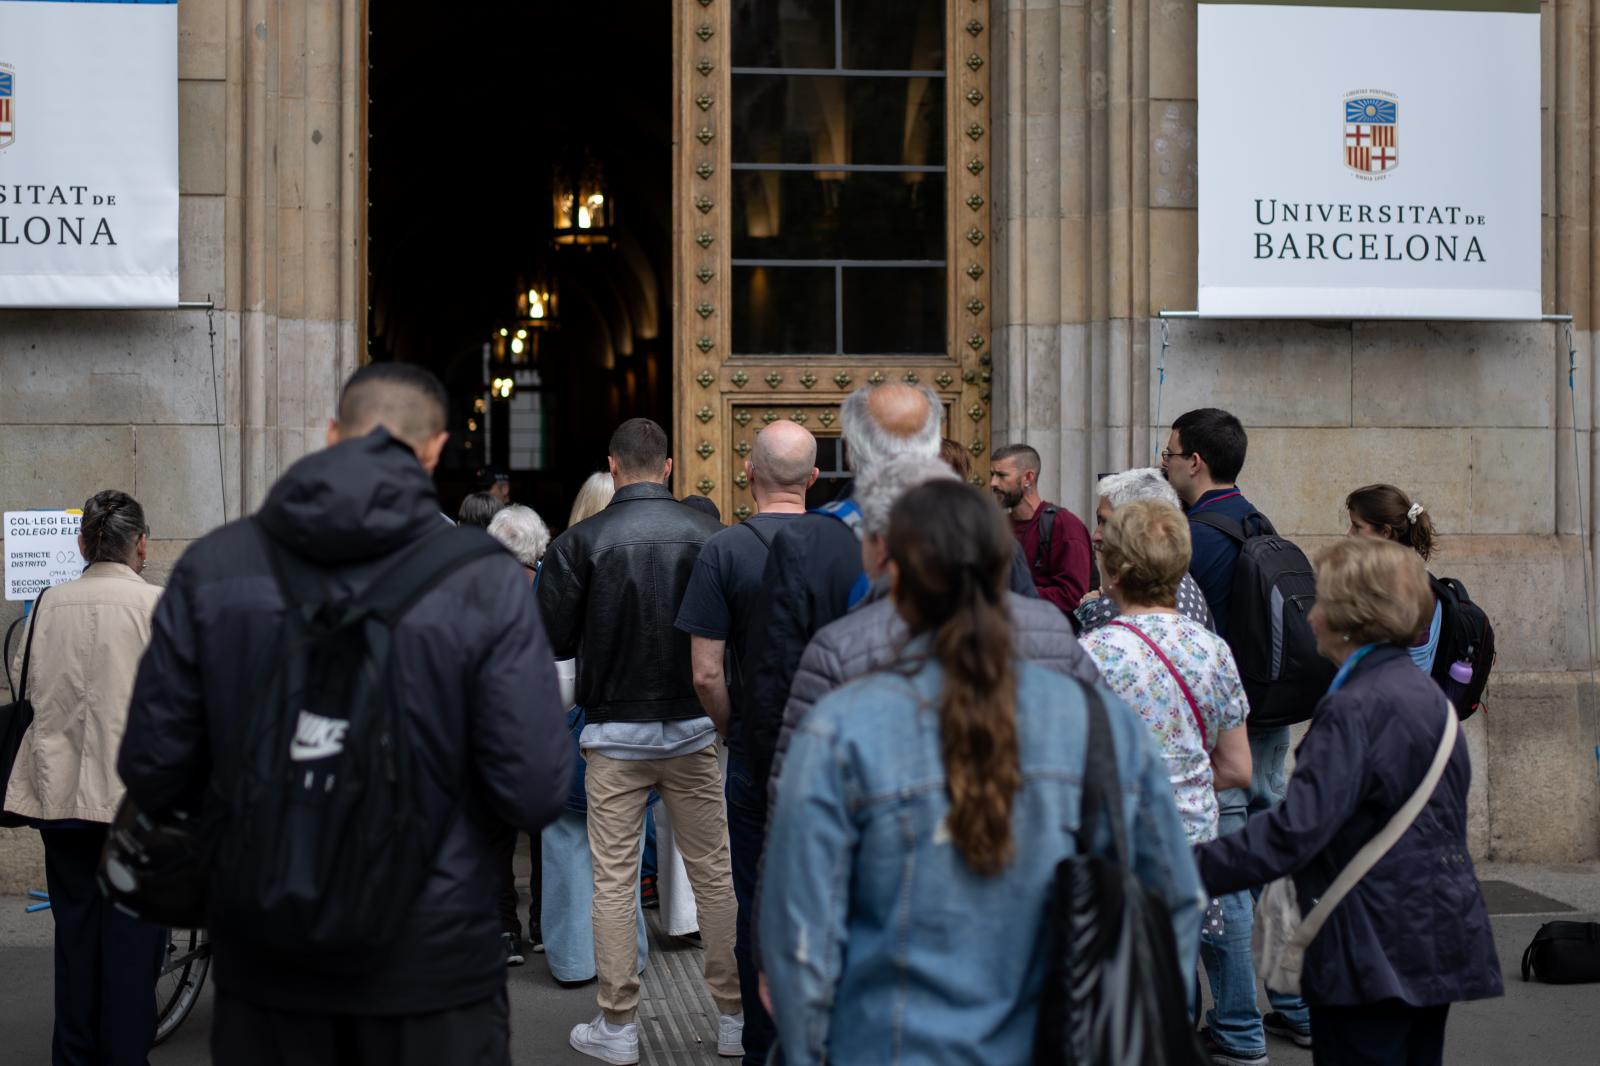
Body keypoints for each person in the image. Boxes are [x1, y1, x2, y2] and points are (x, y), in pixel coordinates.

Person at [118, 363, 571, 1066]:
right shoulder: (483, 578)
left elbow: (152, 767)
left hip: (267, 956)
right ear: (435, 449)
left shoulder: (214, 566)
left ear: (332, 434)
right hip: (435, 961)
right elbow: (536, 786)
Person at [759, 480, 1203, 1066]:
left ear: (885, 564)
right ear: (1003, 566)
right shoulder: (1102, 723)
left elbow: (802, 944)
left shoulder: (841, 729)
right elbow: (1172, 897)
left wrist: (811, 1049)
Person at [1195, 538, 1502, 1066]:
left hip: (1372, 942)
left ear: (1348, 616)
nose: (1311, 614)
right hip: (1432, 932)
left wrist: (1185, 867)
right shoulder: (1422, 691)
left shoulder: (1356, 704)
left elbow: (1294, 832)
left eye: (1321, 600)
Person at [537, 417, 743, 1064]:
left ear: (613, 466)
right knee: (715, 875)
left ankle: (618, 1025)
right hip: (691, 730)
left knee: (615, 880)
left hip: (613, 735)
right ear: (671, 467)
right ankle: (733, 1017)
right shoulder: (712, 537)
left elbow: (551, 641)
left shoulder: (580, 542)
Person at [741, 384, 1038, 796]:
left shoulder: (805, 544)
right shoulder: (990, 536)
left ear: (849, 450)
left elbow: (775, 696)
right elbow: (1031, 657)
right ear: (933, 442)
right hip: (978, 778)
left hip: (847, 782)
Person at [770, 452, 1100, 801]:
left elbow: (802, 795)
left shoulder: (840, 647)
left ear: (885, 549)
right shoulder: (1050, 634)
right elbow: (1111, 762)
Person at [1162, 406, 1307, 1061]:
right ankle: (1297, 1004)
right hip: (1271, 720)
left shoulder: (1196, 537)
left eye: (1169, 455)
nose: (1164, 466)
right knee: (1270, 866)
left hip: (1226, 731)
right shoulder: (1257, 521)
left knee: (1222, 881)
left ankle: (1239, 1028)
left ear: (1195, 460)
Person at [2, 491, 165, 1066]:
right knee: (133, 949)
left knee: (75, 942)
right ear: (140, 544)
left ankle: (73, 1057)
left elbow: (25, 680)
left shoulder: (47, 604)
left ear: (82, 543)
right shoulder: (158, 608)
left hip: (62, 799)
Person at [674, 419, 817, 1066]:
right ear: (814, 478)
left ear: (748, 473)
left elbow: (705, 672)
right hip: (831, 749)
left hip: (758, 749)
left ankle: (760, 1041)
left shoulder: (725, 551)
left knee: (756, 895)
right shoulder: (848, 545)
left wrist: (733, 728)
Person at [1080, 499, 1251, 843]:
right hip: (1193, 848)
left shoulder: (1091, 654)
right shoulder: (1212, 650)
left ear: (1115, 572)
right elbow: (1237, 768)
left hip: (1120, 843)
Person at [539, 480, 652, 986]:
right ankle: (627, 956)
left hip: (567, 720)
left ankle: (573, 959)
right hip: (635, 721)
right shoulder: (654, 558)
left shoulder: (561, 560)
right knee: (623, 851)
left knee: (567, 846)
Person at [484, 503, 554, 964]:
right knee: (544, 834)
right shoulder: (553, 588)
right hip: (544, 727)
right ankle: (544, 925)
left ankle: (505, 932)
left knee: (495, 839)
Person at [1077, 468, 1214, 633]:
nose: (1096, 535)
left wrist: (1090, 607)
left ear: (1141, 526)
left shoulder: (1122, 603)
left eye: (1106, 522)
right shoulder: (1177, 579)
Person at [1345, 484, 1440, 672]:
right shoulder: (1411, 576)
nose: (1349, 534)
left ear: (1385, 532)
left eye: (1357, 527)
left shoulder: (1400, 589)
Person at [989, 443, 1094, 612]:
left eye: (1001, 475)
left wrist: (1012, 595)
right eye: (992, 474)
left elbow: (1072, 595)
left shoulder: (1064, 525)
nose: (993, 483)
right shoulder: (996, 526)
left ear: (1028, 478)